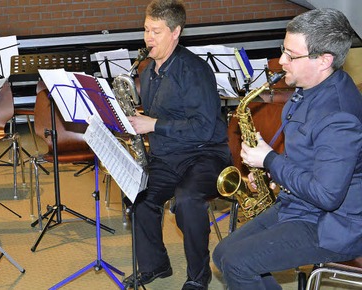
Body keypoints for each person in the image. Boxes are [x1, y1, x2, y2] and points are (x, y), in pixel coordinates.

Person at [212, 8, 362, 290]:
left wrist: (270, 160)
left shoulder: (339, 117)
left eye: (292, 55)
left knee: (236, 262)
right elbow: (312, 159)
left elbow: (328, 196)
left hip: (334, 225)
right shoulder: (310, 88)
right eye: (284, 50)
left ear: (324, 61)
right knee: (222, 254)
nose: (281, 61)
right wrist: (273, 169)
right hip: (300, 205)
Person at [126, 0, 231, 289]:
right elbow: (158, 117)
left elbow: (204, 127)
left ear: (176, 32)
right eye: (146, 29)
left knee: (186, 201)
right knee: (139, 196)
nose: (148, 38)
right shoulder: (147, 71)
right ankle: (156, 265)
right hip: (167, 156)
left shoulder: (194, 71)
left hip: (205, 155)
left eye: (156, 31)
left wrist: (153, 124)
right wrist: (137, 120)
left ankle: (198, 276)